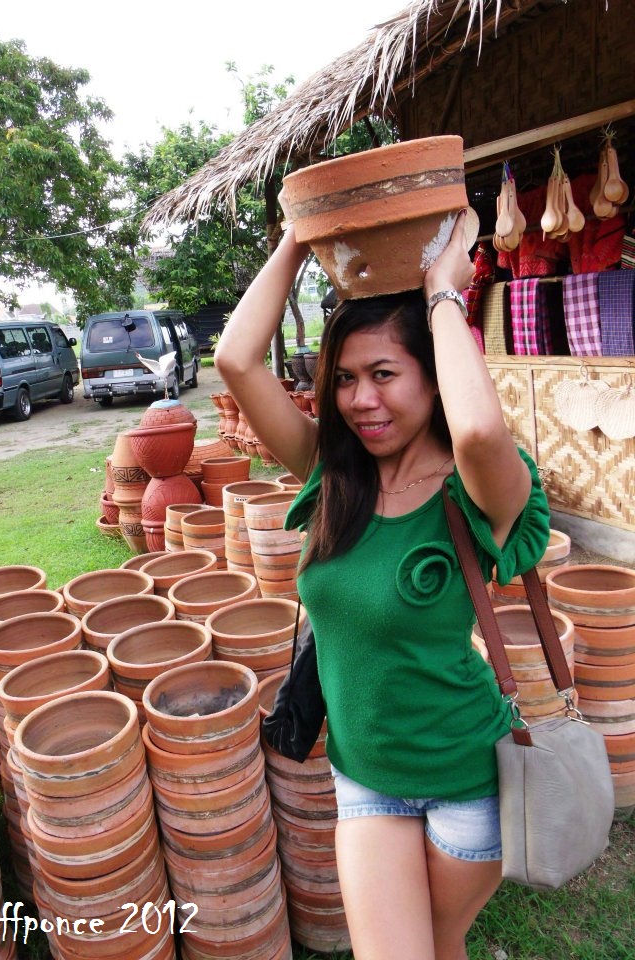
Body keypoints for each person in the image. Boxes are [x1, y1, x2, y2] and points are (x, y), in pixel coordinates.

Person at [214, 210, 550, 960]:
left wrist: (442, 290)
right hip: (364, 777)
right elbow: (236, 361)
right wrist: (300, 237)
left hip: (466, 779)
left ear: (434, 378)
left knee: (438, 939)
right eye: (345, 380)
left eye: (385, 375)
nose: (361, 400)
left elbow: (479, 435)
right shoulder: (335, 478)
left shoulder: (480, 489)